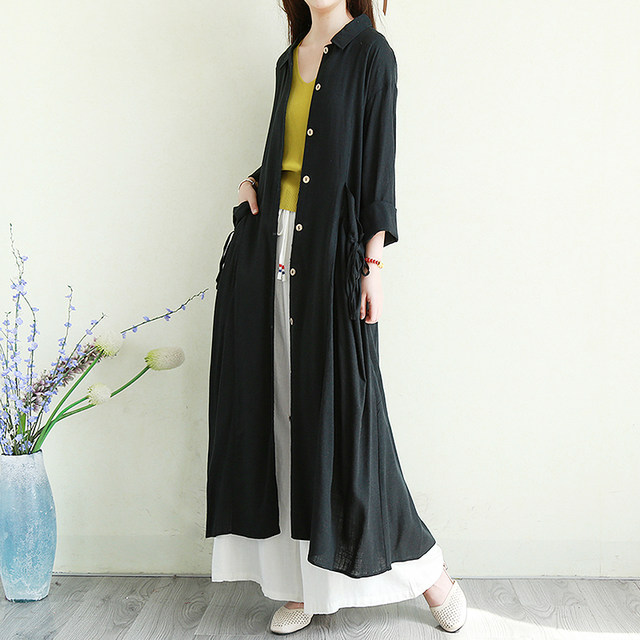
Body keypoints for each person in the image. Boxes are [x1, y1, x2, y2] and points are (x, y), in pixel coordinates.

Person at [207, 0, 467, 634]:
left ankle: (431, 574)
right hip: (270, 248)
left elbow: (377, 168)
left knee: (349, 416)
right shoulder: (288, 60)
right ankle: (304, 585)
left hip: (332, 252)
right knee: (281, 410)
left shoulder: (373, 54)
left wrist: (372, 266)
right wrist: (252, 182)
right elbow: (286, 152)